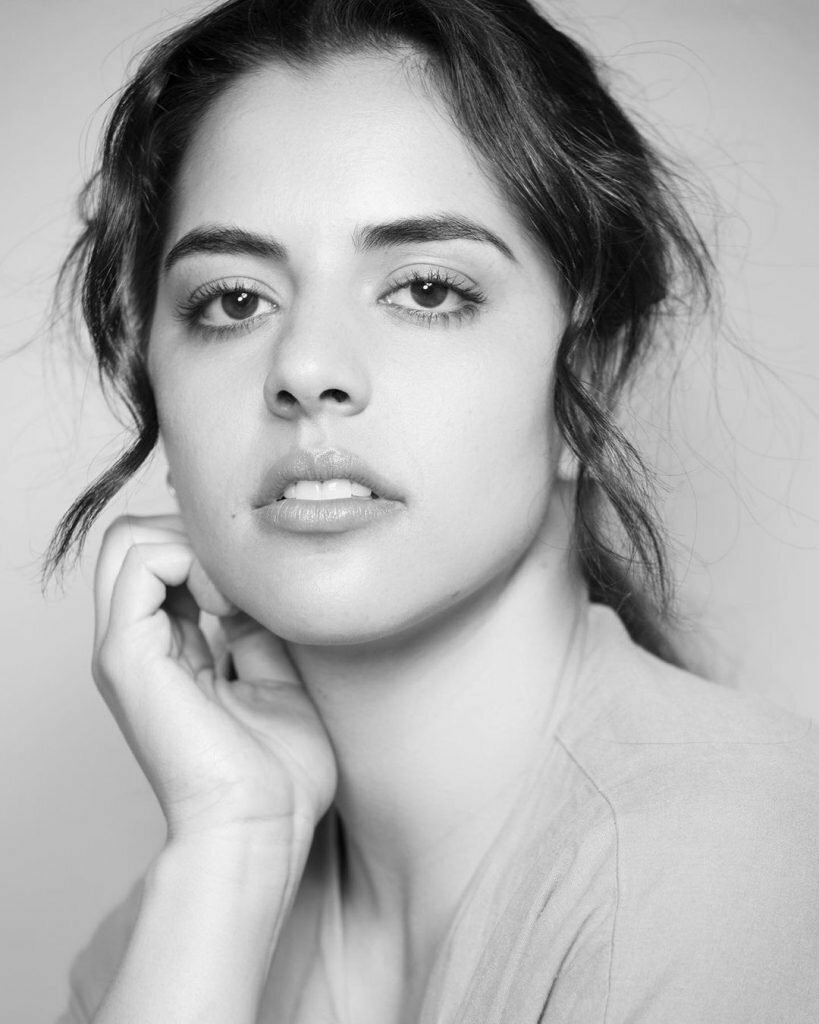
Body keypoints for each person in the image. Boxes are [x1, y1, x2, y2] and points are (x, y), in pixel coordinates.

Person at [50, 1, 819, 1022]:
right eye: (233, 301)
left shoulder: (737, 868)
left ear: (587, 377)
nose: (306, 367)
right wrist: (233, 844)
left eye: (423, 289)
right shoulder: (174, 934)